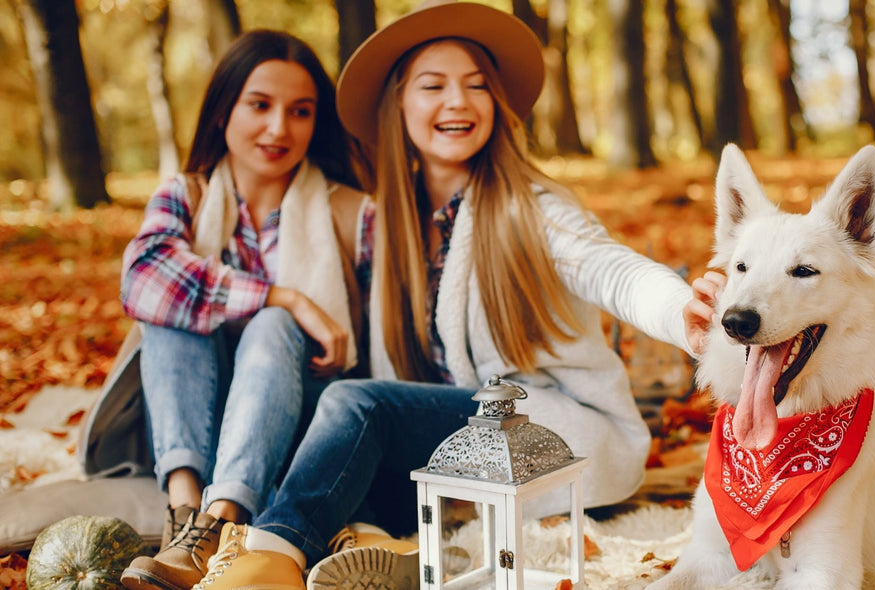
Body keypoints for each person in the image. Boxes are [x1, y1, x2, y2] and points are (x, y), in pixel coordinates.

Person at [187, 2, 717, 588]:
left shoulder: (530, 210)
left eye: (476, 87)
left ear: (496, 104)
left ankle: (273, 555)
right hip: (456, 433)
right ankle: (365, 539)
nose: (459, 102)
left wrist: (679, 308)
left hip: (545, 431)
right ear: (400, 104)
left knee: (354, 405)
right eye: (433, 85)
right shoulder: (389, 222)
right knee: (314, 406)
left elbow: (610, 269)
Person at [113, 29, 375, 590]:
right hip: (194, 416)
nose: (279, 128)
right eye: (259, 105)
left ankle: (222, 519)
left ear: (315, 123)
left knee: (273, 326)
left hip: (297, 420)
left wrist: (283, 315)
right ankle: (184, 518)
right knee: (172, 311)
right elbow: (142, 280)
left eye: (300, 112)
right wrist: (288, 295)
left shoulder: (350, 212)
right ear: (222, 111)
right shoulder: (185, 195)